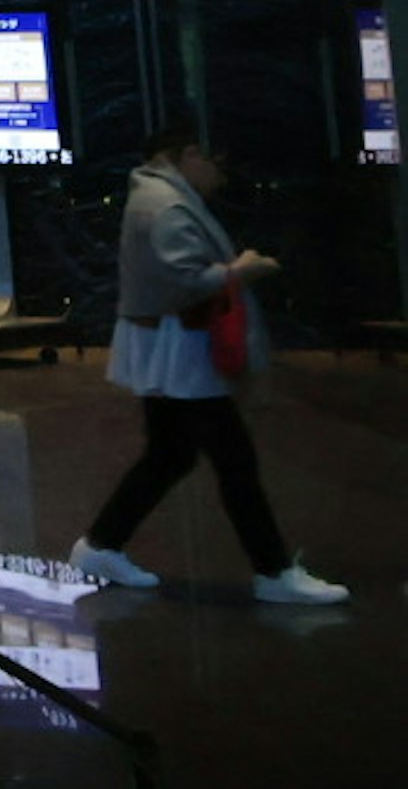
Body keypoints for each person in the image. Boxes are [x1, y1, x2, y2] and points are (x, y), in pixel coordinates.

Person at [69, 125, 346, 602]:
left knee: (170, 455)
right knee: (233, 460)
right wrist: (242, 271)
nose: (219, 174)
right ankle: (274, 573)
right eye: (214, 162)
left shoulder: (153, 196)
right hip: (183, 346)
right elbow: (184, 280)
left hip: (169, 343)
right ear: (187, 155)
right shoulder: (167, 205)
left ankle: (102, 544)